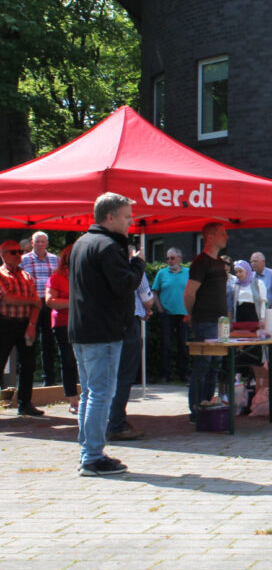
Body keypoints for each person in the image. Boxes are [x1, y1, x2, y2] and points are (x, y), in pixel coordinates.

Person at [68, 192, 146, 476]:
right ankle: (92, 458)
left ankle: (88, 453)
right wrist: (137, 263)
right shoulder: (108, 247)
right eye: (126, 217)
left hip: (83, 330)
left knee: (91, 393)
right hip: (103, 331)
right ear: (110, 217)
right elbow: (125, 285)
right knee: (100, 394)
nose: (131, 222)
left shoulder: (82, 243)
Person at [183, 222, 230, 421]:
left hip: (220, 323)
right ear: (210, 236)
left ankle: (206, 405)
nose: (226, 237)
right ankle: (196, 408)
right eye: (222, 233)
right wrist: (192, 314)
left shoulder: (219, 262)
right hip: (205, 321)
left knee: (214, 367)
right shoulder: (201, 262)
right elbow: (189, 293)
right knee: (203, 365)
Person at [107, 270, 154, 442]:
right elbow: (147, 299)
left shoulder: (98, 267)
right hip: (128, 323)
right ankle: (116, 423)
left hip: (104, 325)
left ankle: (104, 422)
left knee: (105, 377)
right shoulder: (134, 270)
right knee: (124, 376)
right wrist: (145, 308)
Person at [0, 239, 43, 416]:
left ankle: (25, 403)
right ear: (3, 255)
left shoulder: (26, 276)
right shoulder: (1, 274)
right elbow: (7, 299)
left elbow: (37, 304)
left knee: (28, 364)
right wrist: (31, 301)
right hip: (4, 323)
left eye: (19, 251)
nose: (18, 255)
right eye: (13, 252)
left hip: (25, 323)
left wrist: (32, 325)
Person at [20, 231, 60, 386]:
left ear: (47, 243)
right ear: (32, 243)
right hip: (32, 304)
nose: (40, 244)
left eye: (43, 241)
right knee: (29, 341)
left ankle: (48, 380)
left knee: (48, 342)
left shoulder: (55, 259)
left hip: (50, 303)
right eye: (37, 242)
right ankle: (25, 379)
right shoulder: (24, 260)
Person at [45, 246, 79, 412]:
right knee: (68, 360)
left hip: (83, 323)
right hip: (63, 323)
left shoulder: (84, 276)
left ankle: (86, 399)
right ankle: (73, 400)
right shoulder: (56, 277)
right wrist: (74, 304)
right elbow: (50, 301)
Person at [151, 247, 190, 382]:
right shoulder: (162, 273)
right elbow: (155, 292)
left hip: (183, 314)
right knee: (165, 345)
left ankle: (183, 374)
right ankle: (165, 374)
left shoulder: (188, 273)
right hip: (166, 314)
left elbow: (193, 292)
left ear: (179, 258)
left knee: (183, 345)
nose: (169, 261)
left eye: (172, 258)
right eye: (167, 258)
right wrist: (160, 309)